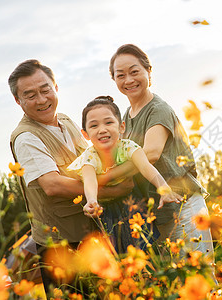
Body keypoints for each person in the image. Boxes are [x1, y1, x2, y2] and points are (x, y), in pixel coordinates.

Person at [8, 59, 134, 295]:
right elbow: (52, 185)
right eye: (30, 95)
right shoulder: (25, 137)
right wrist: (112, 192)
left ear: (56, 87)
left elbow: (90, 160)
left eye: (45, 90)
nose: (42, 99)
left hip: (92, 233)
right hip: (61, 245)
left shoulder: (65, 120)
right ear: (18, 100)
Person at [108, 44, 217, 282]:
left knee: (199, 280)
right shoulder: (126, 116)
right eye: (120, 75)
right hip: (161, 212)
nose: (129, 79)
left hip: (184, 204)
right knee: (178, 284)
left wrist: (108, 177)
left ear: (148, 71)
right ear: (114, 79)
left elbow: (151, 153)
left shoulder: (158, 109)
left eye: (134, 71)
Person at [67, 96, 183, 252]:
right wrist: (92, 201)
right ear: (85, 134)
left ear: (121, 127)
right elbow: (90, 180)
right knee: (116, 251)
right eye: (94, 126)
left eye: (108, 123)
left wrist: (164, 188)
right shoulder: (89, 157)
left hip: (131, 200)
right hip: (105, 206)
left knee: (145, 246)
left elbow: (146, 167)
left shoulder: (128, 147)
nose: (102, 129)